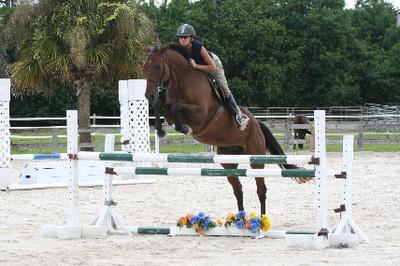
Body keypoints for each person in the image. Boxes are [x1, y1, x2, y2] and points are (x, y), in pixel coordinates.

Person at [176, 24, 249, 131]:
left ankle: (238, 115)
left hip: (213, 65)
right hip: (196, 69)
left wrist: (196, 66)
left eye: (185, 37)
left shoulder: (199, 47)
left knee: (223, 87)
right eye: (180, 37)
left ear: (191, 38)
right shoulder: (180, 50)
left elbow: (212, 67)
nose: (182, 40)